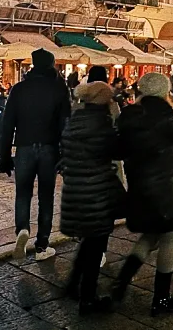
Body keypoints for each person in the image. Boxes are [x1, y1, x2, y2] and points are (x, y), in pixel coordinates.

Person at [112, 73, 173, 316]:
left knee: (150, 234)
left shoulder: (129, 116)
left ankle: (122, 281)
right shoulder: (167, 116)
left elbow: (118, 149)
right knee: (168, 237)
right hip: (165, 185)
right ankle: (160, 299)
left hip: (139, 185)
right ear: (164, 92)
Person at [0, 48, 71, 261]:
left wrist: (4, 156)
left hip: (24, 148)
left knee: (23, 193)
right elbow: (65, 125)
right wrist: (65, 154)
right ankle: (42, 245)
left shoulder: (19, 89)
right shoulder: (59, 89)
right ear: (51, 65)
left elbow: (7, 124)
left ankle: (22, 230)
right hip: (49, 148)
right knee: (46, 197)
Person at [60, 77, 120, 315]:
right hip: (96, 191)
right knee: (96, 243)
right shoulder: (101, 126)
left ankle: (73, 284)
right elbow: (117, 150)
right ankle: (88, 299)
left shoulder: (74, 122)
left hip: (76, 189)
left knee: (89, 240)